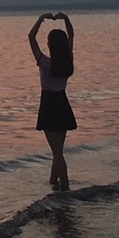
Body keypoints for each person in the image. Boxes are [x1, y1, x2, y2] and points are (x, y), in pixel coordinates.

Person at [28, 11, 77, 191]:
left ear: (50, 45)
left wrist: (41, 19)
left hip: (49, 105)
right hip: (62, 104)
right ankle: (53, 183)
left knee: (57, 153)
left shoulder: (45, 63)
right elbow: (71, 35)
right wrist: (66, 19)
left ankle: (65, 188)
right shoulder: (67, 61)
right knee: (58, 151)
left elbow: (31, 37)